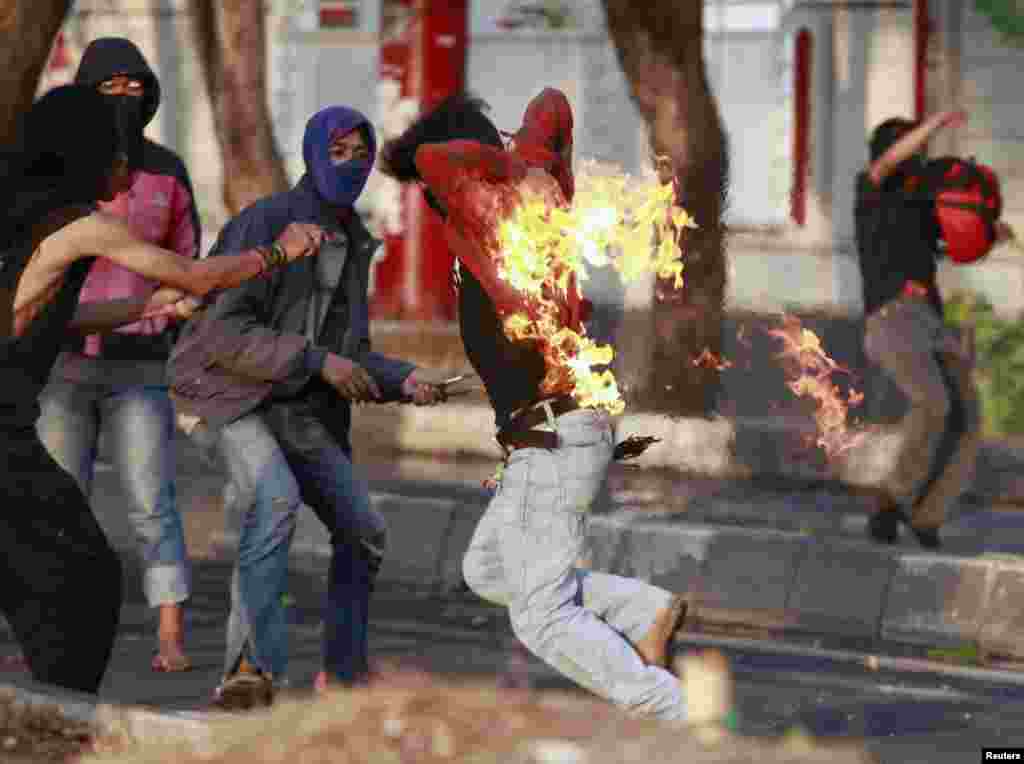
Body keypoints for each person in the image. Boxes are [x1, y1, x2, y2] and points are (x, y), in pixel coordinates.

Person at [379, 91, 704, 723]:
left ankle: (675, 714)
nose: (428, 197)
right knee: (488, 566)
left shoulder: (495, 193)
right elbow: (551, 104)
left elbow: (446, 155)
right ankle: (644, 610)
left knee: (540, 615)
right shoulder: (520, 192)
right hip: (548, 426)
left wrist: (469, 157)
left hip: (555, 431)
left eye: (427, 186)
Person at [0, 84, 323, 694]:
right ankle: (60, 721)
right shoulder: (79, 226)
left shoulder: (27, 218)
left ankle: (49, 714)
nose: (129, 168)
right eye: (120, 154)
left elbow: (52, 319)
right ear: (89, 156)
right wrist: (280, 251)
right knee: (85, 579)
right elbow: (197, 273)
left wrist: (147, 305)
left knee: (54, 575)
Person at [168, 104, 445, 710]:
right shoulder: (267, 223)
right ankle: (248, 668)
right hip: (229, 395)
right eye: (337, 151)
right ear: (313, 152)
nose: (349, 164)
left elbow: (351, 355)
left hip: (299, 407)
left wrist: (409, 379)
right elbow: (221, 334)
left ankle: (345, 675)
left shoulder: (354, 239)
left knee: (363, 532)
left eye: (360, 154)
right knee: (273, 498)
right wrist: (318, 363)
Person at [36, 37, 202, 673]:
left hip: (141, 366)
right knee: (58, 501)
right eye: (109, 86)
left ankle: (169, 636)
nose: (124, 96)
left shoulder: (169, 172)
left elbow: (187, 265)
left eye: (136, 86)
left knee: (150, 500)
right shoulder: (56, 172)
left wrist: (175, 301)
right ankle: (54, 626)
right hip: (62, 365)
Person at [857, 110, 1012, 549]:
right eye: (910, 144)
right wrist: (935, 124)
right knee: (933, 403)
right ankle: (890, 501)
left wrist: (987, 235)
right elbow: (889, 162)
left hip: (929, 318)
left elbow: (957, 246)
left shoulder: (918, 207)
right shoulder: (869, 191)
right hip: (892, 319)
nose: (919, 153)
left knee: (968, 418)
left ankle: (927, 516)